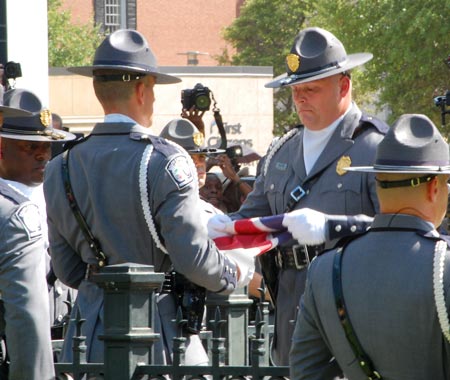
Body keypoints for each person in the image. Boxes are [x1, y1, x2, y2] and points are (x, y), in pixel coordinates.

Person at [43, 29, 254, 367]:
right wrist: (237, 273)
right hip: (157, 334)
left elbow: (68, 270)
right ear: (142, 89)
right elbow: (192, 258)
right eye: (153, 88)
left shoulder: (60, 166)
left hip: (88, 338)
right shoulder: (165, 160)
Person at [208, 26, 389, 365]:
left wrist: (333, 227)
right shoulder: (282, 152)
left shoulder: (376, 147)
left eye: (312, 89)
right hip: (290, 302)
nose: (300, 98)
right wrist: (218, 225)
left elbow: (396, 231)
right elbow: (251, 218)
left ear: (344, 85)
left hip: (351, 304)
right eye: (295, 90)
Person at [290, 114, 450, 380]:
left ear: (377, 183)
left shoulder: (325, 269)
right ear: (434, 187)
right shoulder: (443, 264)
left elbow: (306, 371)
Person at [0, 105, 75, 379]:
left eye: (46, 146)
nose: (42, 154)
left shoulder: (62, 196)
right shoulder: (10, 209)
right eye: (29, 147)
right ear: (1, 148)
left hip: (62, 333)